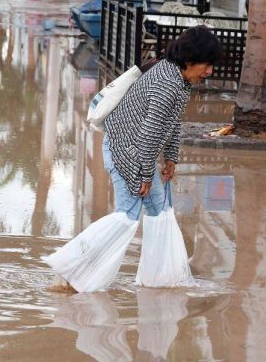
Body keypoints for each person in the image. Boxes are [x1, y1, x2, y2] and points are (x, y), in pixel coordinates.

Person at [44, 26, 223, 292]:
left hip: (137, 151)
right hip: (124, 150)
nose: (210, 72)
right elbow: (150, 132)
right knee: (127, 216)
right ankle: (71, 271)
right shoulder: (167, 82)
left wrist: (172, 157)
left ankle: (161, 280)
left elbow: (172, 123)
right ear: (190, 60)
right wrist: (144, 175)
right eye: (207, 65)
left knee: (160, 211)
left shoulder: (179, 80)